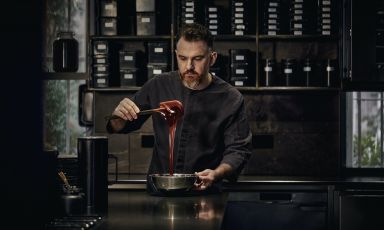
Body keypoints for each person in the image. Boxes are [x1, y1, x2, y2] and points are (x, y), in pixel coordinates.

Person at [106, 23, 252, 195]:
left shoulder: (230, 98)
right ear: (176, 55)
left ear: (212, 58)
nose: (189, 66)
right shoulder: (158, 85)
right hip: (160, 192)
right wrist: (118, 115)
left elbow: (238, 150)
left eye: (197, 58)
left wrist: (217, 173)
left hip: (205, 193)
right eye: (183, 58)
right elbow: (119, 126)